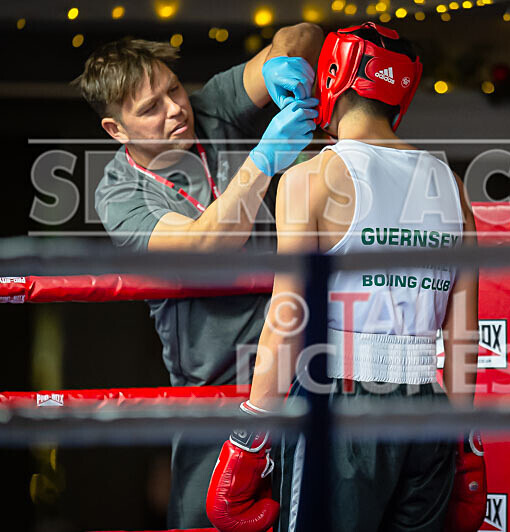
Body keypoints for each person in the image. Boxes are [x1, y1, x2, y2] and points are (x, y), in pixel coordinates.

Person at [206, 22, 486, 532]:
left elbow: (288, 318)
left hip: (341, 407)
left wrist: (249, 435)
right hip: (430, 414)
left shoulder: (309, 179)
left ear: (333, 78)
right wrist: (465, 439)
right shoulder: (452, 186)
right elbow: (463, 333)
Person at [73, 24, 323, 528]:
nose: (174, 110)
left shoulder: (211, 106)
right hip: (213, 392)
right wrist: (263, 161)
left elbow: (299, 35)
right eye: (149, 108)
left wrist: (286, 66)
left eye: (173, 89)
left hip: (296, 369)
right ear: (115, 130)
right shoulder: (120, 194)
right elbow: (204, 245)